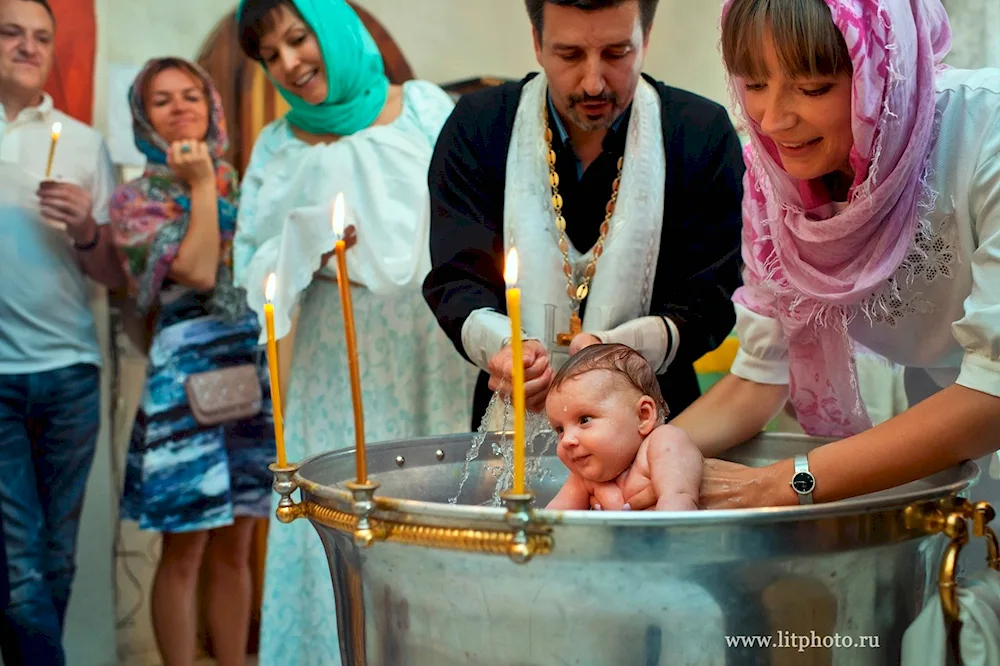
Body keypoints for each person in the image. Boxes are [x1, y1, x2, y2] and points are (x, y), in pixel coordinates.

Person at [666, 0, 1000, 510]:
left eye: (813, 88)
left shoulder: (984, 132)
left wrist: (781, 483)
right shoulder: (775, 182)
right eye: (754, 85)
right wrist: (656, 452)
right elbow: (761, 372)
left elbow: (993, 391)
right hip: (945, 422)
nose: (774, 120)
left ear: (883, 71)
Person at [234, 0, 476, 663]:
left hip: (427, 352)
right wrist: (301, 248)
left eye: (297, 38)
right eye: (270, 55)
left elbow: (475, 215)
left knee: (429, 515)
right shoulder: (278, 146)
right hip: (329, 367)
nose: (288, 63)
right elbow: (250, 262)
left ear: (334, 29)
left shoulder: (426, 109)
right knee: (332, 526)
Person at [421, 0, 745, 431]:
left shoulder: (700, 133)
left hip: (657, 425)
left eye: (616, 53)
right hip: (511, 423)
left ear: (645, 38)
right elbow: (457, 279)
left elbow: (713, 297)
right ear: (537, 42)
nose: (593, 84)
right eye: (570, 54)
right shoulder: (478, 127)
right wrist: (503, 348)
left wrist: (622, 352)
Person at [111, 57, 275, 666]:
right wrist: (202, 185)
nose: (180, 107)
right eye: (161, 100)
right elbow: (200, 270)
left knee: (238, 545)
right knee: (185, 552)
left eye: (191, 95)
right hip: (183, 388)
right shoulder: (134, 200)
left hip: (248, 376)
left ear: (212, 107)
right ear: (142, 117)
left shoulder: (243, 181)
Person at [0, 0, 124, 664]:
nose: (28, 45)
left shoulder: (82, 142)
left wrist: (85, 228)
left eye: (42, 36)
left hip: (71, 373)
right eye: (11, 32)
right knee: (21, 570)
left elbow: (111, 274)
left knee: (55, 561)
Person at [545, 343, 702, 511]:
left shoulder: (664, 443)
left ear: (643, 415)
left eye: (584, 420)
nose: (566, 440)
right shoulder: (584, 476)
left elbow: (678, 506)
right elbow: (551, 521)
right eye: (560, 430)